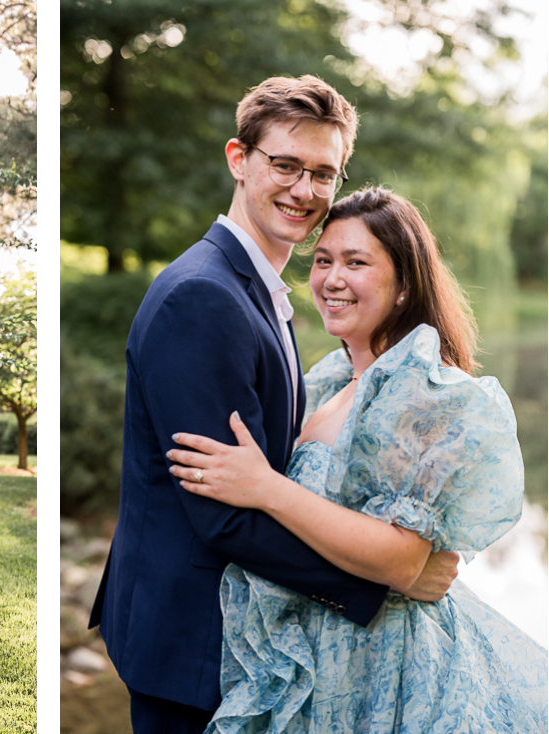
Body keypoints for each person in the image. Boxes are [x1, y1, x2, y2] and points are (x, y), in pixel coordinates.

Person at [86, 76, 460, 734]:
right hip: (190, 635)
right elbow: (223, 515)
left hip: (222, 630)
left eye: (323, 173)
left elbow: (268, 477)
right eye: (284, 164)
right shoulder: (203, 298)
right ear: (239, 158)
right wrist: (379, 582)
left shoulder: (258, 294)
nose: (303, 189)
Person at [167, 186, 548, 732]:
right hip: (315, 651)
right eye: (323, 260)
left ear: (404, 287)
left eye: (357, 262)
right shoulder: (328, 380)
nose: (332, 279)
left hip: (383, 665)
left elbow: (400, 560)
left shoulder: (423, 391)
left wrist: (265, 488)